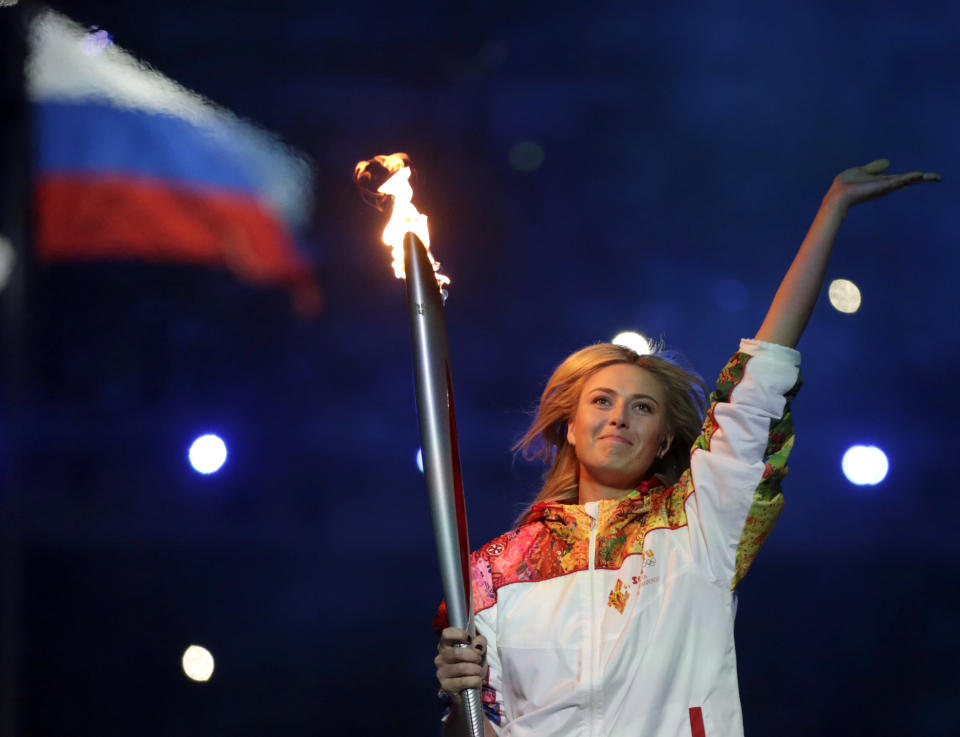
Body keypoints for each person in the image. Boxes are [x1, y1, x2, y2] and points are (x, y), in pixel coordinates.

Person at [433, 160, 940, 737]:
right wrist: (459, 703)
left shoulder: (698, 528)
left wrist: (832, 210)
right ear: (568, 427)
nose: (619, 416)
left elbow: (758, 387)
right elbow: (484, 729)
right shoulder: (492, 574)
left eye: (642, 408)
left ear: (663, 440)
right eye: (601, 401)